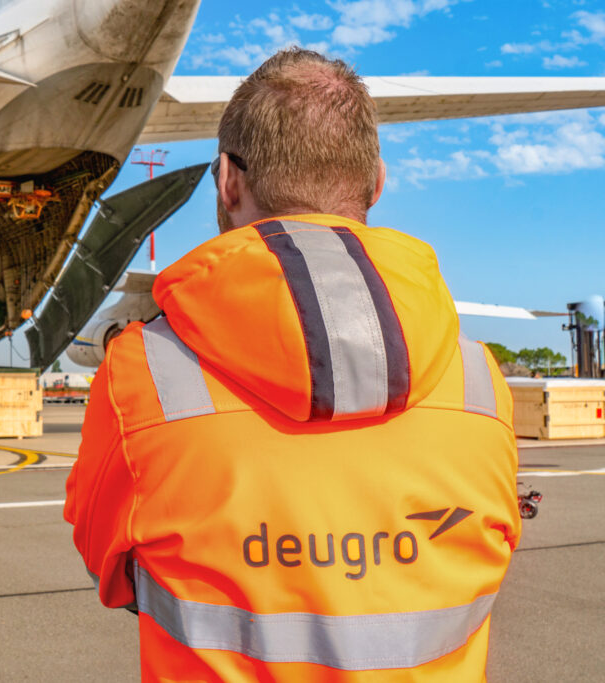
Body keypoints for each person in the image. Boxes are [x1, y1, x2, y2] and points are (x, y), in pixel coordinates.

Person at [65, 48, 520, 681]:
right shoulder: (479, 382)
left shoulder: (143, 374)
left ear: (227, 180)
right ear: (377, 182)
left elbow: (108, 567)